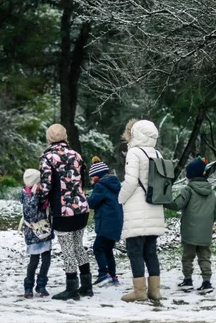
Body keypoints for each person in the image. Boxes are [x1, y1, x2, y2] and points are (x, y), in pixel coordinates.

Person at [39, 123, 92, 300]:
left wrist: (40, 202)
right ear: (65, 136)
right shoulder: (76, 155)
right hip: (82, 207)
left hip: (63, 211)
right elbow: (83, 181)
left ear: (49, 138)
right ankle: (87, 285)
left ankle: (72, 288)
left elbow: (46, 186)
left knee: (68, 249)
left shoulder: (48, 158)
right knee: (78, 246)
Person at [117, 119, 165, 302]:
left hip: (137, 210)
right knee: (150, 251)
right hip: (154, 207)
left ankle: (139, 292)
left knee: (135, 251)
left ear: (136, 133)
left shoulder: (134, 153)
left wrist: (120, 199)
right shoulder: (157, 154)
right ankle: (155, 291)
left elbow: (130, 182)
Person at [165, 156, 216, 293]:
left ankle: (188, 280)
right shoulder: (211, 192)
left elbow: (177, 205)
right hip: (205, 231)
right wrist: (209, 223)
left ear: (191, 175)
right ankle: (207, 282)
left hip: (190, 230)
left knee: (188, 257)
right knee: (205, 257)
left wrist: (163, 200)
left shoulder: (188, 190)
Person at [86, 156, 123, 286]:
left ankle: (103, 273)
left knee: (98, 248)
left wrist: (85, 197)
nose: (91, 179)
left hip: (105, 222)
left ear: (97, 176)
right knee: (108, 249)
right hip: (116, 222)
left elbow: (92, 203)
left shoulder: (100, 186)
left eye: (92, 177)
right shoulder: (115, 184)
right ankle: (113, 276)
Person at [20, 168, 53, 298]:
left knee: (46, 259)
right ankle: (28, 286)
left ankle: (41, 285)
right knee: (34, 261)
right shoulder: (26, 194)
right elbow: (30, 212)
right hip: (32, 231)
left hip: (45, 230)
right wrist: (34, 195)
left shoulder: (43, 193)